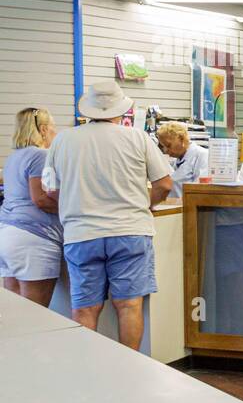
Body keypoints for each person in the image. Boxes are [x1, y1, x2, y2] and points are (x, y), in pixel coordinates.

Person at [42, 80, 173, 350]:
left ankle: (90, 371)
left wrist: (77, 202)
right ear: (122, 109)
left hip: (81, 234)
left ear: (87, 111)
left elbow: (50, 190)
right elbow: (164, 185)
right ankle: (129, 371)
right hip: (130, 231)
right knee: (128, 306)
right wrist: (143, 204)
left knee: (85, 309)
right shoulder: (137, 137)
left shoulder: (64, 140)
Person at [0, 107, 62, 307]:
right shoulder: (40, 155)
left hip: (8, 234)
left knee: (18, 311)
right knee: (36, 313)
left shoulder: (14, 157)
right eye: (53, 127)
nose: (56, 132)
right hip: (34, 238)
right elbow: (41, 199)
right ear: (43, 129)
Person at [154, 121, 208, 197]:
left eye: (169, 145)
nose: (165, 150)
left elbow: (200, 191)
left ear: (181, 139)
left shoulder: (202, 156)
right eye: (163, 146)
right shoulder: (176, 160)